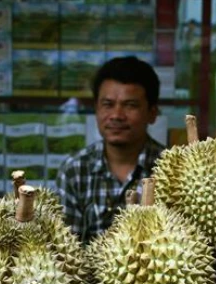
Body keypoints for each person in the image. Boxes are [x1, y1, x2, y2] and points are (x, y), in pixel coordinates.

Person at [56, 56, 165, 244]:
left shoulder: (172, 171)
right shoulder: (74, 170)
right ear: (96, 109)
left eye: (130, 105)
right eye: (107, 104)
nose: (116, 115)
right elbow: (65, 250)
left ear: (152, 113)